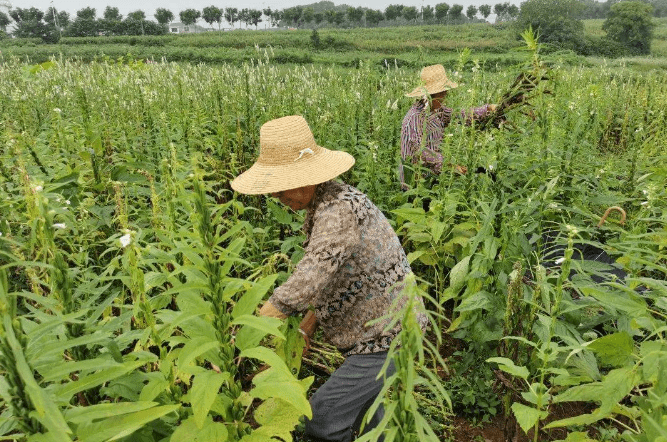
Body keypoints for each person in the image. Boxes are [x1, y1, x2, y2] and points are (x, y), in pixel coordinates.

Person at [230, 115, 427, 442]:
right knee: (369, 423)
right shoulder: (327, 203)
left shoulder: (337, 212)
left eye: (281, 191)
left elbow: (308, 278)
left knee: (322, 418)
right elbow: (329, 278)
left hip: (387, 338)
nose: (279, 199)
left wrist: (242, 340)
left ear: (303, 179)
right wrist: (307, 326)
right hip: (383, 332)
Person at [400, 64, 497, 190]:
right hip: (415, 187)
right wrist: (449, 165)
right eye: (443, 93)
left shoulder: (437, 111)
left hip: (432, 180)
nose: (445, 96)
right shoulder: (414, 118)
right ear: (432, 95)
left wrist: (488, 109)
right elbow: (421, 152)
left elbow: (460, 115)